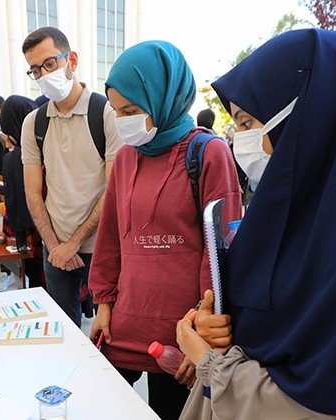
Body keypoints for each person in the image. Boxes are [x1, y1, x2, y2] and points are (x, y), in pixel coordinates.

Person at [176, 29, 336, 420]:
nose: (240, 141)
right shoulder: (289, 213)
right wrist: (214, 327)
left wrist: (213, 365)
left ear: (310, 117)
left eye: (249, 122)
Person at [87, 40, 242, 419]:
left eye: (132, 110)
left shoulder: (208, 152)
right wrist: (103, 302)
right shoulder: (125, 157)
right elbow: (111, 236)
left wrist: (203, 337)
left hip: (180, 333)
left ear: (164, 98)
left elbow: (220, 254)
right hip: (124, 323)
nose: (123, 120)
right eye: (116, 110)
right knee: (99, 406)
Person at [20, 26, 123, 327]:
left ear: (71, 60)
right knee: (63, 330)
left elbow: (113, 188)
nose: (43, 75)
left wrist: (73, 243)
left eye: (50, 64)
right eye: (35, 70)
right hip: (54, 249)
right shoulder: (33, 123)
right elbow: (32, 192)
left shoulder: (106, 113)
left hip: (101, 246)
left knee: (110, 332)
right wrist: (54, 245)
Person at [0, 94, 45, 289]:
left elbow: (19, 208)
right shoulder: (49, 147)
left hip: (38, 243)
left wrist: (6, 228)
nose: (7, 143)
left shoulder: (16, 158)